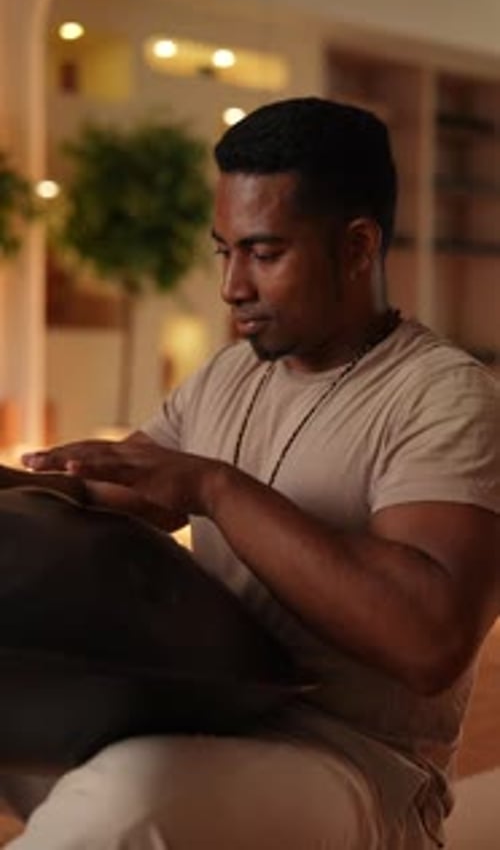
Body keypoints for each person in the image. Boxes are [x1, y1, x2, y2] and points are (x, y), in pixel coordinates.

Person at [1, 96, 499, 849]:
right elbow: (110, 488)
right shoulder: (230, 376)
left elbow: (428, 642)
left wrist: (216, 487)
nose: (233, 285)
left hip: (359, 764)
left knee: (125, 808)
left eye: (264, 254)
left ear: (358, 246)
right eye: (223, 250)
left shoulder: (446, 396)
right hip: (206, 715)